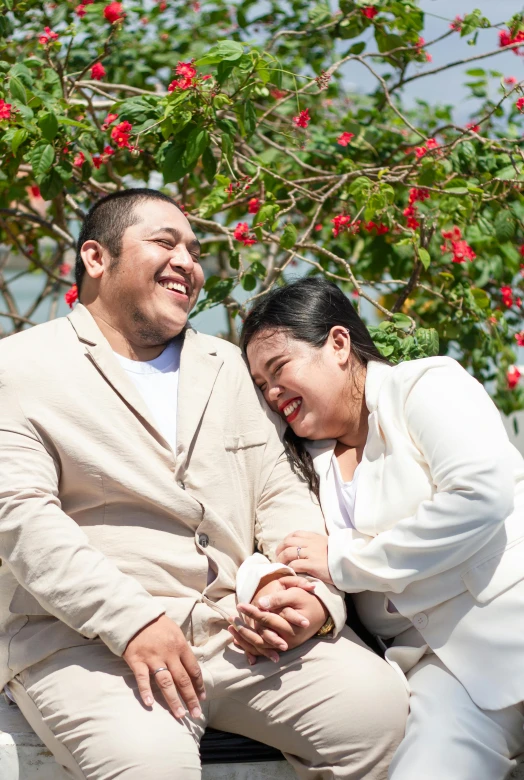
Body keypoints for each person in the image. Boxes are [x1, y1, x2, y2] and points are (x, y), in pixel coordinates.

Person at [0, 190, 408, 780]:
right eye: (165, 242)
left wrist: (309, 596)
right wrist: (130, 620)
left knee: (381, 712)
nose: (188, 261)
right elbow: (20, 517)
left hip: (238, 630)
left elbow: (280, 488)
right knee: (150, 766)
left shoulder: (229, 366)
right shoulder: (18, 368)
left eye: (193, 249)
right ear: (96, 258)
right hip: (88, 644)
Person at [237, 276, 524, 780]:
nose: (271, 391)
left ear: (339, 344)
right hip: (438, 675)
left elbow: (481, 494)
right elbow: (285, 546)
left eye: (278, 368)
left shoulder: (424, 386)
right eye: (261, 385)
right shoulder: (304, 461)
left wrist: (345, 561)